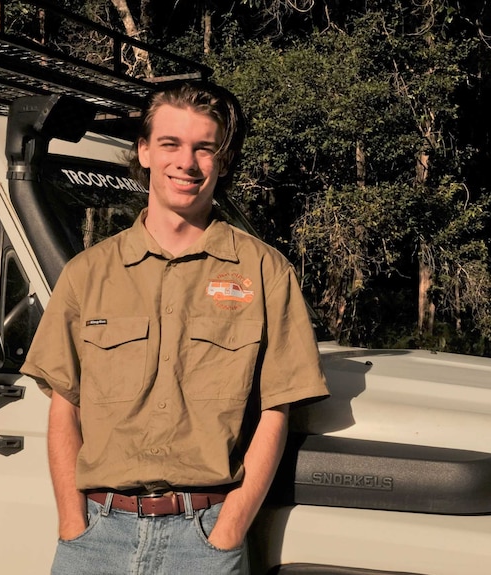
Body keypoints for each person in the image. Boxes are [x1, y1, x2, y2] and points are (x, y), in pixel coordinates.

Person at [20, 81, 329, 574]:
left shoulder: (266, 273)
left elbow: (276, 412)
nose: (186, 163)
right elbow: (65, 407)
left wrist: (227, 533)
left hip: (203, 538)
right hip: (96, 537)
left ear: (222, 162)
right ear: (143, 151)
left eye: (205, 148)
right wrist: (72, 525)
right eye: (170, 144)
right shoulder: (87, 274)